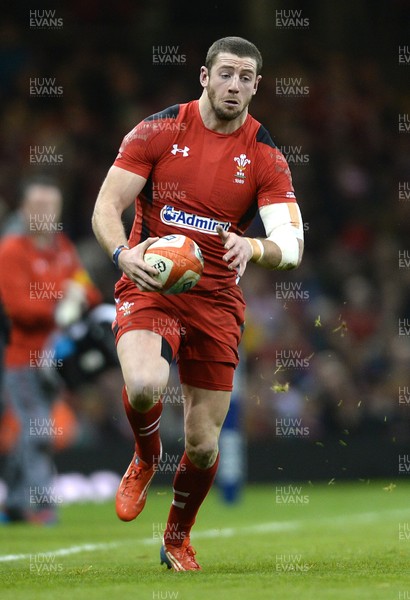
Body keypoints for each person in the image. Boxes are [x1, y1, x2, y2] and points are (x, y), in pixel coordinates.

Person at [91, 36, 304, 570]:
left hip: (215, 302)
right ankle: (145, 456)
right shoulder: (158, 130)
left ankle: (177, 537)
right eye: (226, 74)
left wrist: (253, 246)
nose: (236, 85)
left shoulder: (265, 155)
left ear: (257, 85)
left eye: (247, 77)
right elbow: (106, 206)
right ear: (204, 77)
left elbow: (292, 245)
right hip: (150, 283)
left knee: (205, 445)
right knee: (144, 384)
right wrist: (121, 254)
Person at [0, 176, 102, 523]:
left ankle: (15, 502)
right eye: (38, 205)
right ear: (24, 210)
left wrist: (74, 299)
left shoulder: (62, 248)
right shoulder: (12, 250)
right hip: (21, 359)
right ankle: (38, 505)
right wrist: (63, 301)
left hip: (54, 360)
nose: (44, 212)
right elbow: (17, 307)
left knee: (32, 430)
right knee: (37, 429)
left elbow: (89, 293)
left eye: (51, 206)